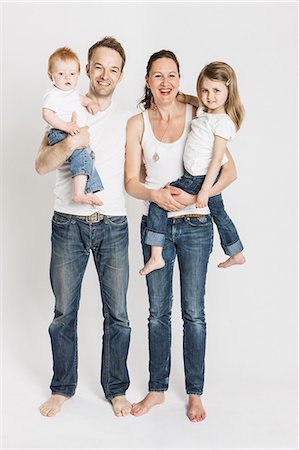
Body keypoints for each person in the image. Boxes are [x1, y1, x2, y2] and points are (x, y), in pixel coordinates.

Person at [125, 50, 237, 422]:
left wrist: (196, 196)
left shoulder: (199, 114)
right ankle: (157, 390)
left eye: (172, 75)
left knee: (194, 313)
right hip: (155, 226)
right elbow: (130, 183)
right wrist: (156, 194)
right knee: (158, 313)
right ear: (147, 81)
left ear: (180, 79)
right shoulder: (137, 122)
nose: (166, 83)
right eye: (158, 76)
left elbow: (229, 172)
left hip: (195, 226)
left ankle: (194, 393)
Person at [36, 37, 132, 418]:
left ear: (121, 75)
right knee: (63, 313)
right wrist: (73, 141)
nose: (105, 74)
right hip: (67, 224)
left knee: (119, 314)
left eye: (113, 69)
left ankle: (116, 389)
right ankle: (62, 388)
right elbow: (41, 165)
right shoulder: (66, 104)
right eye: (98, 66)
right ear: (87, 68)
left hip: (113, 224)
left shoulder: (129, 119)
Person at [140, 61, 246, 276]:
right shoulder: (205, 110)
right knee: (220, 213)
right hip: (196, 175)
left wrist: (204, 191)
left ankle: (156, 255)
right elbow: (192, 99)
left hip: (198, 177)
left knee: (159, 200)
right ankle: (235, 251)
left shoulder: (222, 122)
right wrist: (180, 96)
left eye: (216, 91)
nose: (210, 96)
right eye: (205, 90)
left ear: (228, 91)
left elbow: (217, 159)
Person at [43, 46, 103, 206]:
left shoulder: (73, 94)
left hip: (73, 133)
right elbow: (47, 114)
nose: (67, 78)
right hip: (59, 133)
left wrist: (91, 103)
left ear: (78, 74)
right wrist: (67, 127)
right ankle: (78, 194)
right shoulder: (53, 94)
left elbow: (82, 100)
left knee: (88, 156)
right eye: (61, 74)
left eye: (72, 74)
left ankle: (88, 191)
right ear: (51, 76)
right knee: (82, 153)